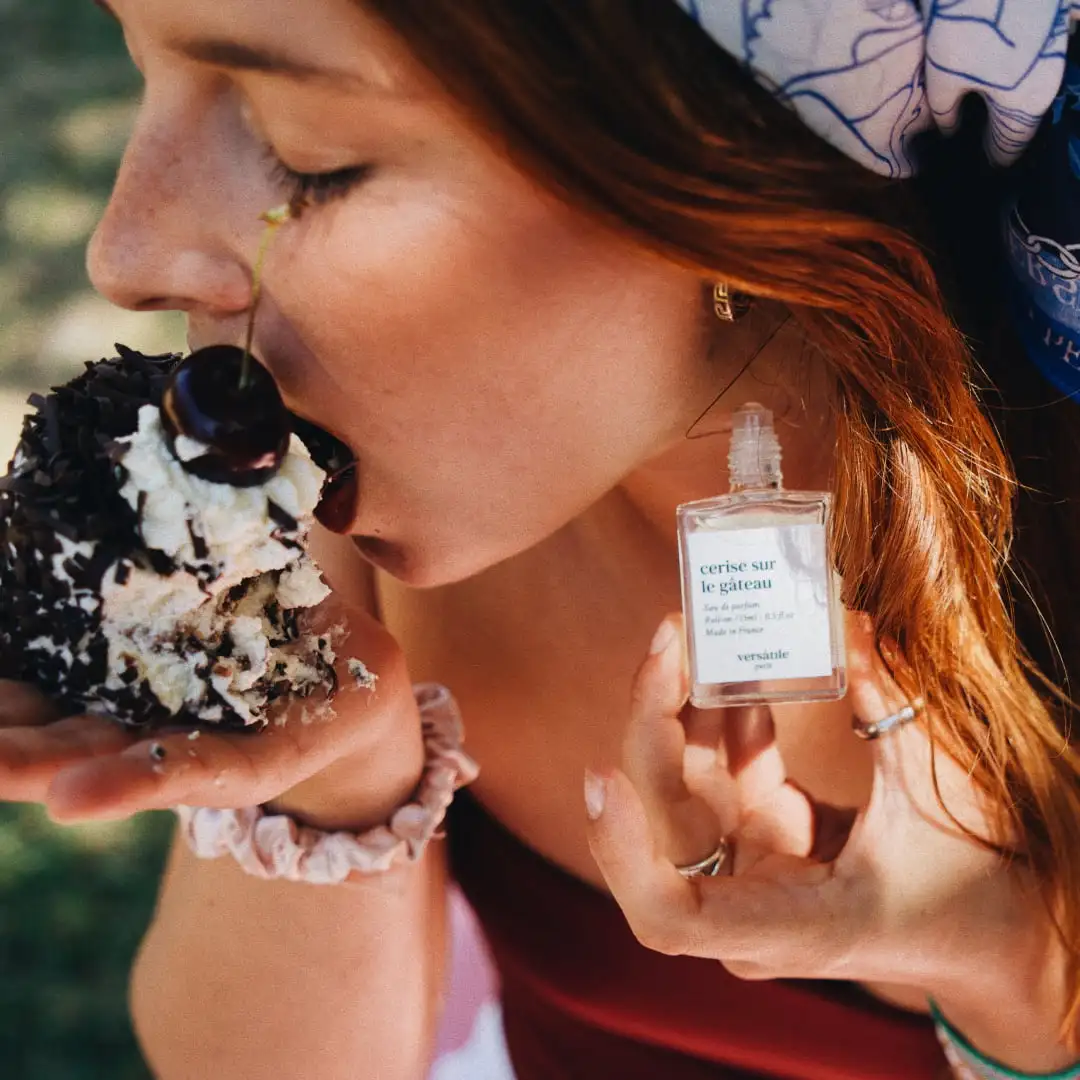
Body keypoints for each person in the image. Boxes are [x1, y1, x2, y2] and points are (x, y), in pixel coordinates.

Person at [3, 1, 1080, 1077]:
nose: (124, 253)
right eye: (142, 70)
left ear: (730, 178)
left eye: (305, 154)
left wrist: (1015, 982)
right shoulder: (368, 501)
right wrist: (344, 777)